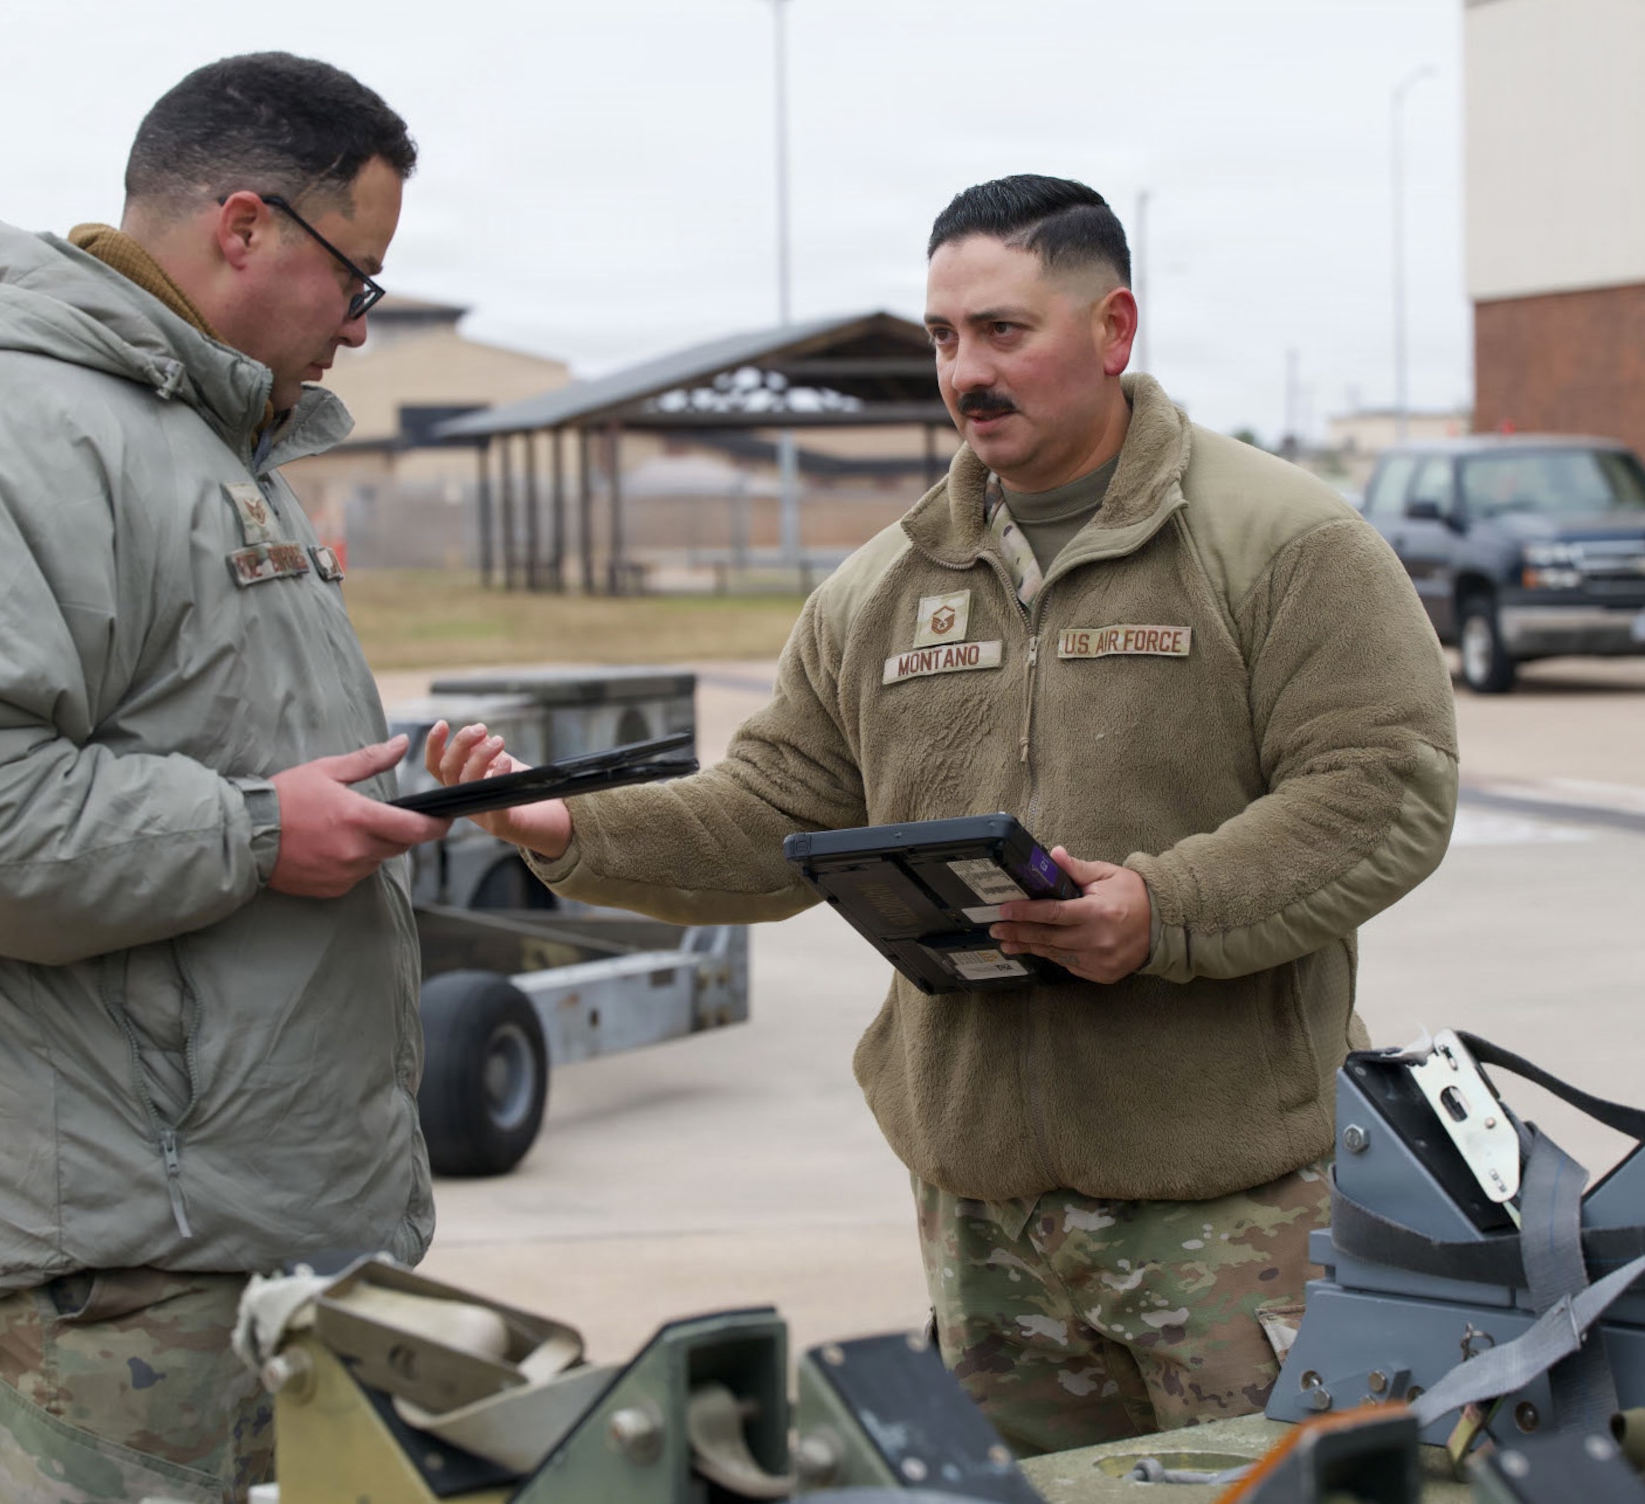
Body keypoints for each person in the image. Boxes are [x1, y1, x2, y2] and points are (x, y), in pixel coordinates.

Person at [427, 175, 1460, 1455]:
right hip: (981, 1225)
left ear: (1113, 328)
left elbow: (1382, 786)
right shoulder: (881, 587)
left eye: (1002, 331)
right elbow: (774, 813)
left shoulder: (1279, 542)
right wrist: (567, 836)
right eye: (941, 337)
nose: (963, 370)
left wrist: (1162, 910)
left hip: (1228, 1212)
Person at [0, 53, 449, 1504]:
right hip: (107, 1243)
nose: (359, 323)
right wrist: (259, 834)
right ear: (249, 227)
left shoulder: (186, 433)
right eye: (360, 278)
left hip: (204, 1219)